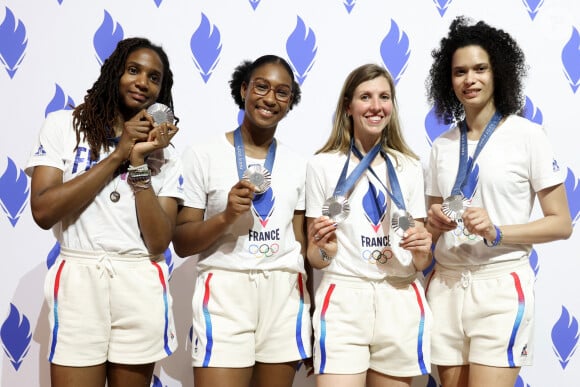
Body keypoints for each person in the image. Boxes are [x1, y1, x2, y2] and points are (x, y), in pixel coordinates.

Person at [424, 16, 573, 387]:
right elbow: (430, 225)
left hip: (500, 287)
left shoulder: (528, 136)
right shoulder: (441, 145)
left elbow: (561, 222)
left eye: (480, 69)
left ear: (498, 73)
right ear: (449, 79)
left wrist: (498, 230)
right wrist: (432, 224)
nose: (469, 79)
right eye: (459, 72)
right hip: (445, 286)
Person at [26, 37, 182, 387]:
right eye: (133, 70)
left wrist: (139, 161)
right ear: (113, 73)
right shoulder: (64, 126)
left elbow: (159, 240)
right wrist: (117, 155)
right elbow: (43, 210)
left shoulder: (166, 155)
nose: (143, 82)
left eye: (154, 78)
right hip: (80, 278)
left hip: (138, 280)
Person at [172, 54, 312, 387]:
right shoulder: (202, 154)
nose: (270, 99)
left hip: (284, 295)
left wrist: (313, 311)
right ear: (244, 89)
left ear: (291, 102)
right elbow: (181, 242)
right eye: (261, 87)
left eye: (282, 92)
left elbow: (300, 244)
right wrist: (226, 217)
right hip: (224, 292)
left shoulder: (299, 163)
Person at [305, 63, 433, 387]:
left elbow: (421, 260)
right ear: (348, 106)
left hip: (399, 296)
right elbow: (316, 258)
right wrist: (325, 250)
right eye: (366, 96)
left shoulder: (409, 166)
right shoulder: (322, 166)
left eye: (384, 97)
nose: (376, 106)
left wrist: (423, 251)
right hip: (343, 298)